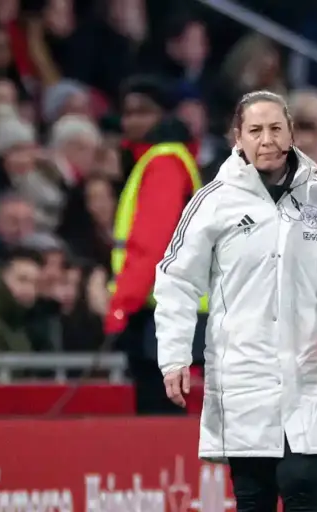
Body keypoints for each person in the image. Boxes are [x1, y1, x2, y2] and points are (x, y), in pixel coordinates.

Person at [154, 91, 317, 511]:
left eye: (275, 128)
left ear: (291, 133)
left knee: (301, 481)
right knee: (254, 494)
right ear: (238, 137)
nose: (266, 139)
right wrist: (174, 356)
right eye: (255, 130)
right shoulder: (215, 201)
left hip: (308, 363)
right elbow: (176, 279)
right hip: (243, 367)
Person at [103, 76, 207, 415]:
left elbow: (150, 243)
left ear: (164, 116)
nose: (132, 121)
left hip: (160, 315)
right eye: (128, 113)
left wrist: (122, 304)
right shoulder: (171, 159)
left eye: (143, 112)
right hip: (177, 310)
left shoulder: (162, 162)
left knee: (160, 414)